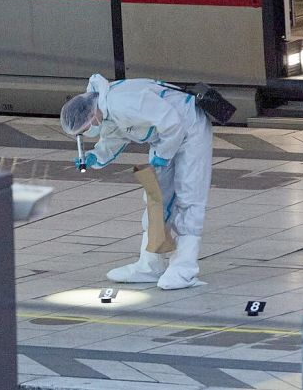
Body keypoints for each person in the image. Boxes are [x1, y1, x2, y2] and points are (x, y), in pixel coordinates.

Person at [60, 74, 213, 290]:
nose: (88, 132)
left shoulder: (123, 102)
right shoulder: (107, 110)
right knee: (156, 199)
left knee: (189, 197)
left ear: (91, 117)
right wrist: (97, 156)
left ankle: (184, 270)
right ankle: (150, 265)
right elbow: (115, 135)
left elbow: (172, 123)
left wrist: (163, 154)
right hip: (164, 138)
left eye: (84, 130)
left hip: (190, 129)